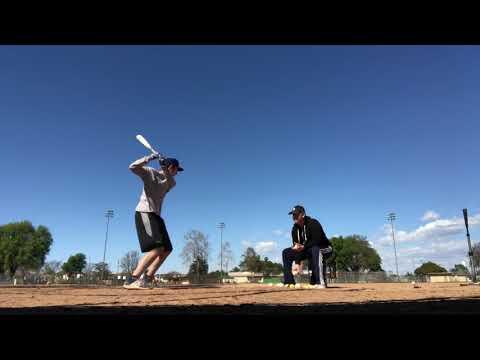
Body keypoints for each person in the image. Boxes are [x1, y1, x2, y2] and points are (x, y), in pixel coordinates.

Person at [123, 151, 184, 289]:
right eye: (176, 170)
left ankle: (147, 278)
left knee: (167, 249)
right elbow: (132, 167)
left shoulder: (171, 182)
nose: (177, 173)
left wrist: (163, 168)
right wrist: (149, 158)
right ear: (172, 168)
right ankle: (132, 279)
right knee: (157, 249)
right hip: (145, 212)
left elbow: (169, 180)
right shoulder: (149, 172)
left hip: (156, 216)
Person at [281, 205, 333, 289]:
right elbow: (297, 246)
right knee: (286, 252)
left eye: (296, 214)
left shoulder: (313, 223)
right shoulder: (294, 229)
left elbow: (317, 240)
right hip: (308, 249)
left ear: (303, 214)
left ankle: (320, 282)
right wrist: (297, 262)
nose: (294, 217)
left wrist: (304, 246)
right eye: (293, 215)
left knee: (315, 249)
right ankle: (289, 281)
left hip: (325, 248)